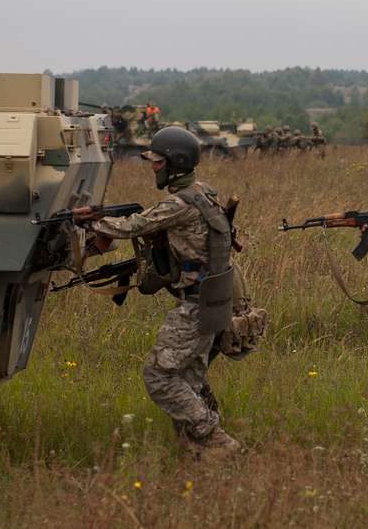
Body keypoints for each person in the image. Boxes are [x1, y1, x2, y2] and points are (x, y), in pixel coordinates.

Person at [77, 126, 248, 458]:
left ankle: (213, 435)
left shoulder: (181, 202)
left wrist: (92, 222)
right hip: (213, 300)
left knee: (157, 376)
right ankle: (195, 452)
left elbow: (135, 226)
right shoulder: (203, 192)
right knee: (188, 379)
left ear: (175, 163)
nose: (153, 167)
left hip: (197, 306)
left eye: (157, 162)